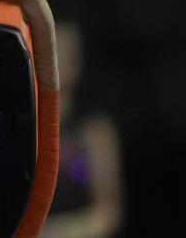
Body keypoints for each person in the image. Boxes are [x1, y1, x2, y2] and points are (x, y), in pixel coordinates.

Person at [42, 21, 125, 238]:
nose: (61, 59)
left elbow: (107, 212)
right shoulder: (21, 124)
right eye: (54, 48)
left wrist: (57, 233)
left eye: (70, 52)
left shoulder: (94, 130)